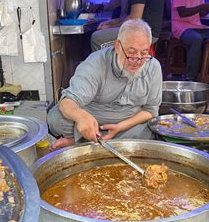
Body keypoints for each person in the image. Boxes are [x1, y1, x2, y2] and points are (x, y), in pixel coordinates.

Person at [48, 19, 162, 150]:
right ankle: (98, 139)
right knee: (55, 118)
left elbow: (151, 110)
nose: (137, 60)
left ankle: (80, 141)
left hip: (129, 124)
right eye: (131, 53)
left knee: (149, 130)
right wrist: (81, 117)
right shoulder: (95, 63)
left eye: (144, 53)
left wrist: (120, 127)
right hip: (94, 119)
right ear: (117, 46)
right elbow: (68, 102)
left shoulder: (153, 66)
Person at [171, 0, 209, 80]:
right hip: (181, 27)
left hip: (198, 26)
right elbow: (182, 13)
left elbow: (200, 13)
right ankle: (190, 76)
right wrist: (203, 6)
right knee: (196, 39)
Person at [91, 0, 164, 52]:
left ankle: (102, 71)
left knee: (97, 38)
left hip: (145, 33)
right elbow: (132, 17)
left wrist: (110, 26)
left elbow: (135, 18)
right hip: (139, 29)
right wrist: (112, 23)